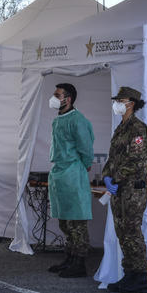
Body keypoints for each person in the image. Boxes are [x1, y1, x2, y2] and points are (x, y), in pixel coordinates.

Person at [102, 86, 147, 293]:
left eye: (120, 100)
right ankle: (129, 273)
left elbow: (136, 160)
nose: (117, 104)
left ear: (131, 103)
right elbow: (113, 157)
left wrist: (115, 177)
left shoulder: (138, 129)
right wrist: (106, 175)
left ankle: (140, 276)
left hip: (133, 188)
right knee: (122, 231)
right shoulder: (121, 128)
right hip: (119, 188)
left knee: (132, 231)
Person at [47, 83, 95, 278]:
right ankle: (70, 257)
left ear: (69, 99)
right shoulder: (57, 120)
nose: (54, 97)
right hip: (59, 173)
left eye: (58, 95)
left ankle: (80, 263)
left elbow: (86, 148)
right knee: (65, 221)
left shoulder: (78, 120)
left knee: (77, 221)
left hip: (73, 173)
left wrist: (84, 164)